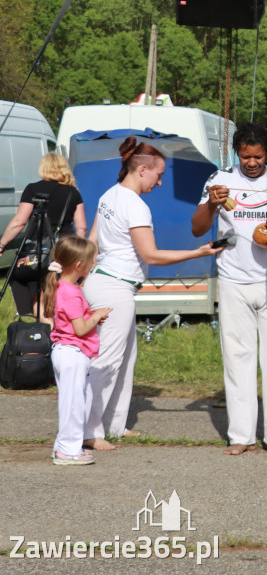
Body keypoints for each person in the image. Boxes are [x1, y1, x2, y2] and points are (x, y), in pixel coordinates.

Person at [84, 137, 217, 451]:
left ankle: (113, 424)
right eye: (159, 175)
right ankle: (89, 430)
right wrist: (197, 252)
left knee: (125, 358)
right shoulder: (135, 205)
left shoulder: (108, 195)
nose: (160, 182)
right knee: (108, 361)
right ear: (142, 169)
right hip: (114, 289)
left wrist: (80, 278)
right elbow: (152, 255)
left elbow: (92, 241)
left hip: (104, 282)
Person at [191, 122, 267, 456]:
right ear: (236, 153)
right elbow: (198, 228)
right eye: (245, 156)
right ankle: (241, 435)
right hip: (232, 281)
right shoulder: (219, 180)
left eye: (257, 157)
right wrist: (212, 205)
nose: (252, 163)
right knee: (237, 358)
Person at [43, 236, 111, 465]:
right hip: (72, 352)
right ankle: (67, 450)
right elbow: (80, 329)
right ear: (79, 265)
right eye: (92, 260)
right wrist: (97, 315)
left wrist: (91, 317)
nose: (94, 263)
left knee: (78, 401)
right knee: (74, 405)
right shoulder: (71, 292)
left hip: (70, 351)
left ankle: (67, 447)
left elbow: (74, 322)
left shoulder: (64, 286)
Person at [0, 153, 88, 317]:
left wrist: (2, 244)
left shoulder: (33, 189)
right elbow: (82, 227)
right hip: (64, 251)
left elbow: (19, 222)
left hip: (36, 250)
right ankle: (54, 333)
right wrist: (78, 251)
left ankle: (40, 332)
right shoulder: (72, 193)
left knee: (33, 291)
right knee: (54, 296)